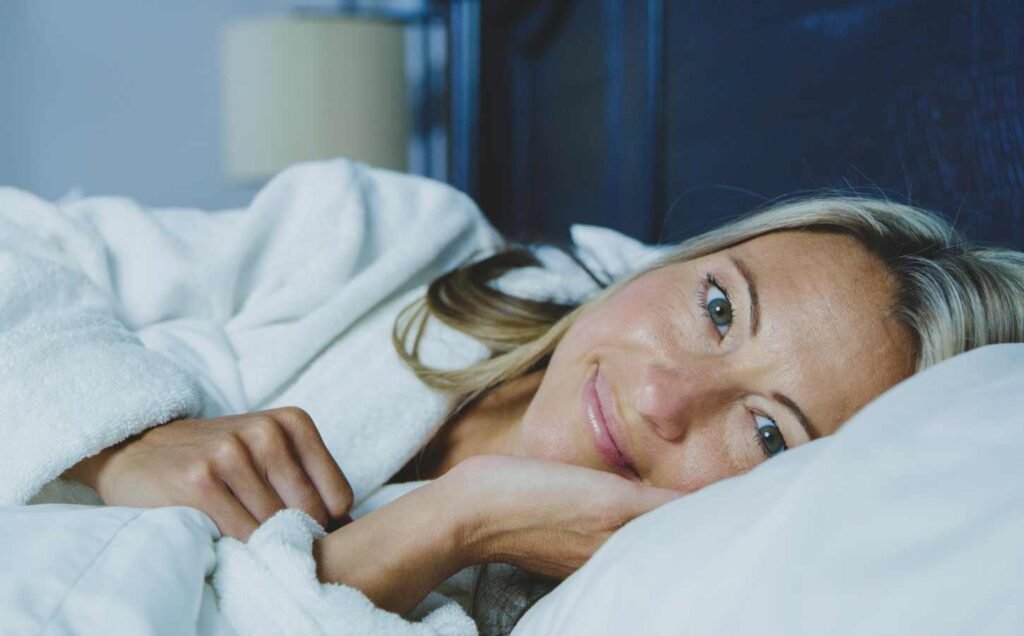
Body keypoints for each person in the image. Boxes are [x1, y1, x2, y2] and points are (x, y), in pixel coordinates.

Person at [8, 160, 1024, 633]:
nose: (665, 396)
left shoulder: (602, 610)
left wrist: (462, 517)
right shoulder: (394, 241)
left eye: (764, 431)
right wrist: (121, 435)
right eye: (717, 307)